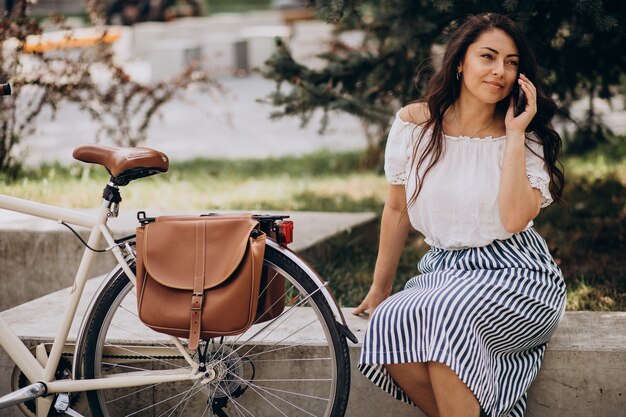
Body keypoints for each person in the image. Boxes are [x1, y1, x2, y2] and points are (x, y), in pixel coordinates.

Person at [352, 12, 566, 417]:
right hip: (442, 272)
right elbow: (397, 207)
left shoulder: (528, 136)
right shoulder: (414, 125)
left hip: (518, 275)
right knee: (389, 322)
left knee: (446, 317)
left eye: (512, 62)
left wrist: (516, 133)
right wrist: (380, 288)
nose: (500, 71)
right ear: (460, 62)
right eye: (488, 56)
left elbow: (516, 218)